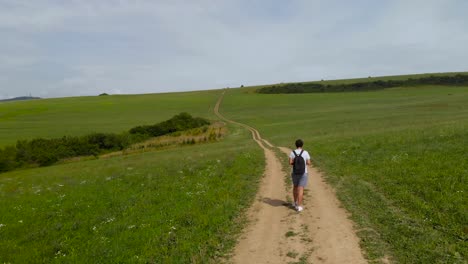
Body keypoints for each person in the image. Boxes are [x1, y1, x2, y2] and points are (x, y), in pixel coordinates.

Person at [289, 139, 311, 212]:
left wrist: (295, 163)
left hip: (294, 172)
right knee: (301, 189)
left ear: (296, 145)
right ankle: (299, 206)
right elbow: (308, 163)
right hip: (303, 173)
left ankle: (295, 203)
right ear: (302, 145)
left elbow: (290, 162)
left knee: (295, 187)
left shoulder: (292, 152)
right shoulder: (305, 152)